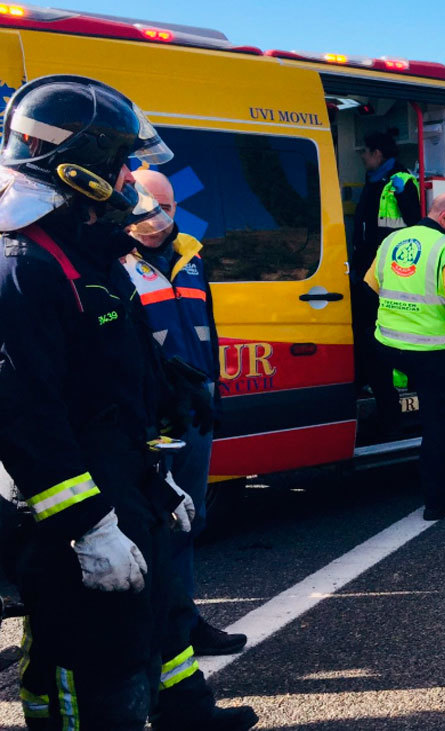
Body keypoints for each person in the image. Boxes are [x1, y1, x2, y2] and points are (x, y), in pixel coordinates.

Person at [0, 75, 256, 729]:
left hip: (117, 482)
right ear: (78, 164)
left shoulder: (89, 254)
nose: (126, 179)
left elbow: (112, 380)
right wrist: (87, 524)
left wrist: (155, 478)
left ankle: (184, 715)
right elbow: (25, 414)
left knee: (140, 626)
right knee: (83, 662)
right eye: (118, 164)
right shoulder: (25, 265)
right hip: (69, 512)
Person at [120, 169, 248, 658]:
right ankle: (152, 628)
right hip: (147, 415)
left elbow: (205, 329)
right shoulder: (114, 260)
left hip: (193, 406)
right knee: (146, 524)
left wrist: (214, 391)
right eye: (150, 206)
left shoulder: (192, 257)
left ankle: (186, 621)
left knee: (188, 520)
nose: (160, 217)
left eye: (168, 207)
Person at [366, 193, 445, 520]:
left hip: (389, 346)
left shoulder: (393, 240)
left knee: (405, 411)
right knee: (437, 426)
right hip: (429, 353)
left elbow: (371, 286)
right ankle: (437, 502)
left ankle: (391, 442)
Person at [351, 131, 422, 439]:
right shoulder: (376, 181)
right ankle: (378, 393)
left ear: (378, 153)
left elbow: (414, 222)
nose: (363, 158)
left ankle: (394, 409)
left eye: (365, 153)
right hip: (369, 269)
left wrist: (404, 193)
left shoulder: (402, 181)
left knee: (380, 339)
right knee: (367, 335)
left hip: (391, 273)